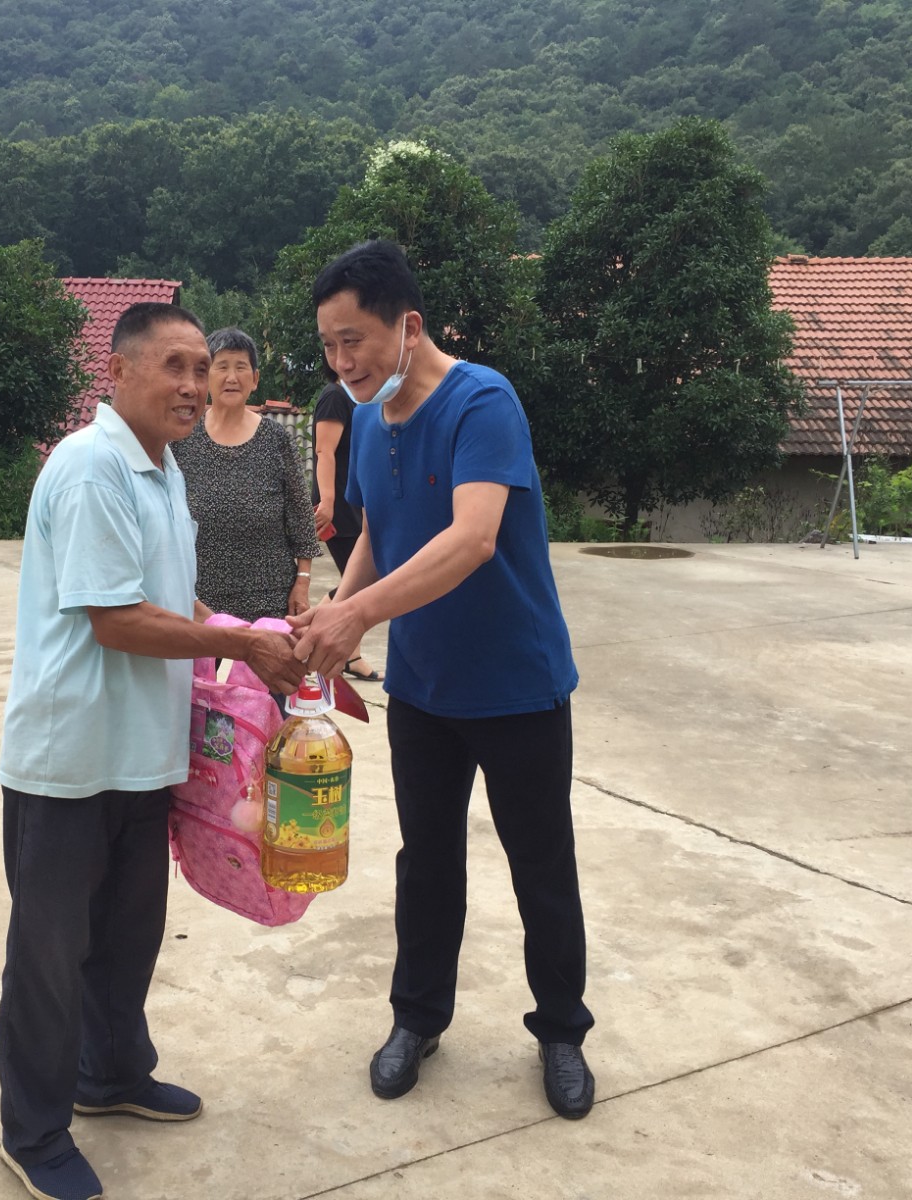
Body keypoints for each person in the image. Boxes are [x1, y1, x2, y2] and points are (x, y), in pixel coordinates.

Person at [0, 302, 304, 1200]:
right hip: (69, 759)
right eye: (175, 366)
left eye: (203, 368)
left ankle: (111, 1076)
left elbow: (174, 599)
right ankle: (33, 1132)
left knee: (126, 939)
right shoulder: (93, 468)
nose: (195, 385)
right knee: (51, 956)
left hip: (142, 754)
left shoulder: (162, 469)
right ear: (118, 372)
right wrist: (240, 644)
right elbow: (117, 619)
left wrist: (256, 635)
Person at [288, 240, 596, 1120]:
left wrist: (356, 616)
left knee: (541, 865)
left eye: (354, 341)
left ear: (409, 325)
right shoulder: (368, 420)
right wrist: (336, 615)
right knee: (425, 863)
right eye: (329, 347)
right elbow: (378, 539)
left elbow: (472, 538)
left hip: (516, 684)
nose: (342, 364)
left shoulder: (482, 402)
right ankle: (416, 1019)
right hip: (423, 690)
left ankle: (562, 1031)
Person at [172, 327, 321, 624]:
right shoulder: (182, 437)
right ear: (206, 376)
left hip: (270, 598)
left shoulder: (276, 438)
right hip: (198, 599)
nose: (231, 377)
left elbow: (301, 516)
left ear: (254, 379)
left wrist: (302, 581)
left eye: (241, 367)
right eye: (221, 366)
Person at [311, 379, 382, 682]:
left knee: (357, 583)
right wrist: (327, 502)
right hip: (338, 508)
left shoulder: (360, 399)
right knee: (359, 582)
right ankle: (310, 635)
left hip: (354, 505)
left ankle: (349, 654)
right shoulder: (335, 396)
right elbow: (324, 451)